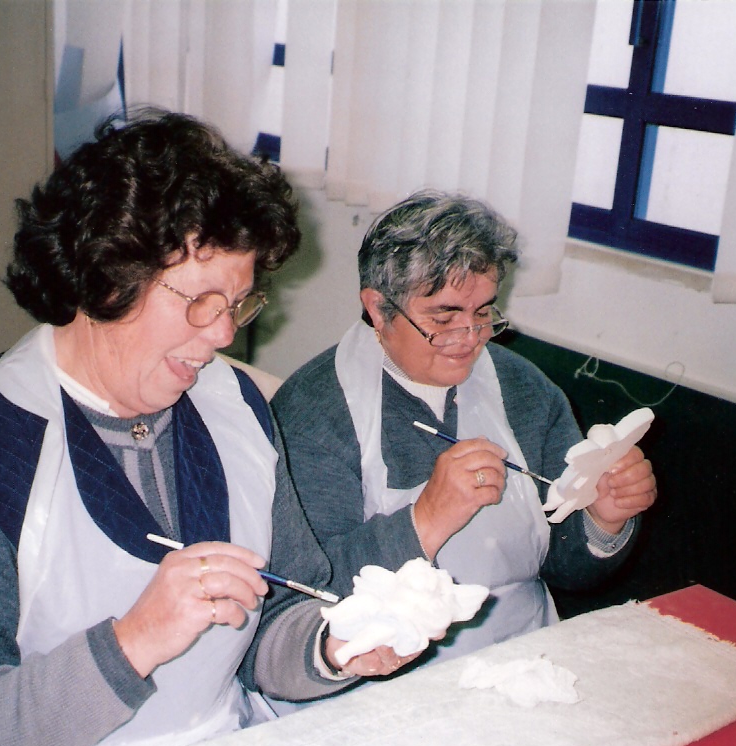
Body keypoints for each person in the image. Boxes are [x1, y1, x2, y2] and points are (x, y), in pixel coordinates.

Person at [0, 107, 411, 746]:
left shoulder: (235, 406)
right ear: (106, 275)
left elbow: (275, 616)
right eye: (199, 301)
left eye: (236, 304)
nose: (223, 335)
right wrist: (132, 643)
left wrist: (332, 648)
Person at [272, 190, 658, 676]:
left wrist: (602, 520)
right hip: (380, 677)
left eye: (483, 314)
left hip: (520, 656)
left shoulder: (524, 389)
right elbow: (307, 595)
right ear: (378, 308)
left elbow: (566, 570)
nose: (470, 339)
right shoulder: (314, 412)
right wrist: (426, 520)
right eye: (444, 318)